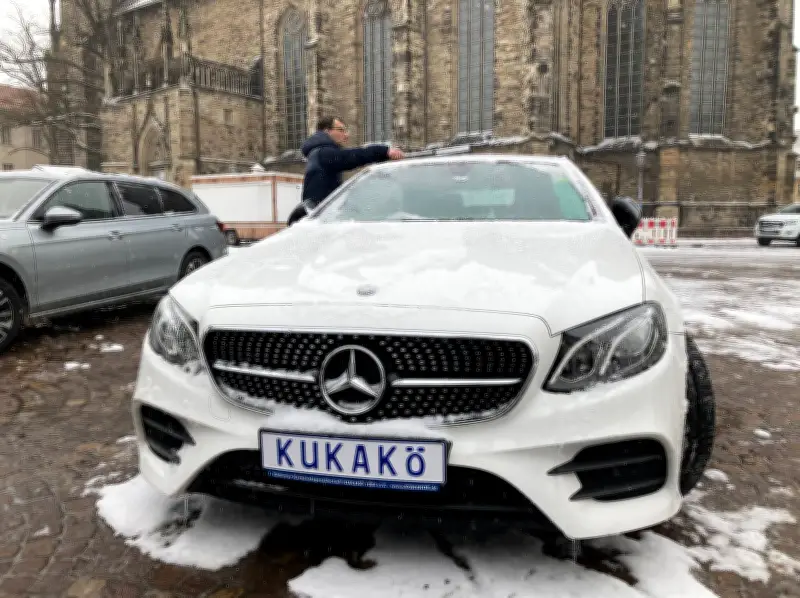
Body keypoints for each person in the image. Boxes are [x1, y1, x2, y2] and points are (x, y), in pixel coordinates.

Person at [286, 116, 405, 226]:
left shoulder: (316, 153)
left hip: (320, 215)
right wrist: (384, 151)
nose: (346, 135)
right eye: (341, 130)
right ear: (327, 131)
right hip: (322, 219)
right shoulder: (323, 153)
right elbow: (352, 157)